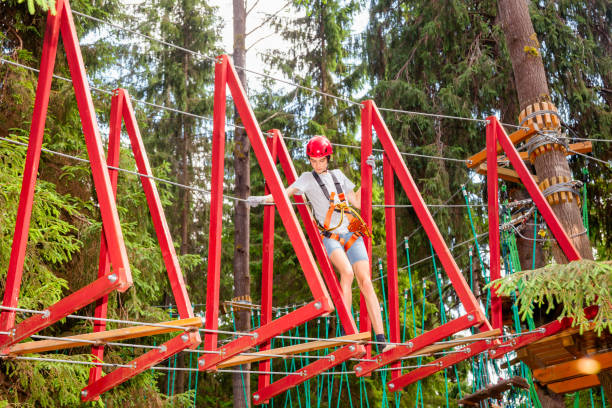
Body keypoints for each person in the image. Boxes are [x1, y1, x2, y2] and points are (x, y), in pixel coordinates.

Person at [247, 135, 392, 353]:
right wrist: (261, 199)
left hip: (352, 230)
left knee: (366, 281)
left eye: (321, 160)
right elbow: (283, 194)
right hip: (330, 235)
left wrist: (369, 174)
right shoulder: (307, 178)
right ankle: (350, 334)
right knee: (347, 273)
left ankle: (381, 340)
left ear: (328, 158)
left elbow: (359, 202)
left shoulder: (339, 176)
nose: (318, 165)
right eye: (314, 161)